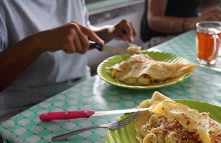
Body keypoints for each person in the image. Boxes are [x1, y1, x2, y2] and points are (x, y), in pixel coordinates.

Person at [0, 0, 137, 122]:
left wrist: (110, 31)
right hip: (26, 109)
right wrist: (39, 42)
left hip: (81, 92)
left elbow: (79, 36)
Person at [141, 0, 221, 45]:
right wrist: (193, 22)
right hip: (160, 41)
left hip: (186, 35)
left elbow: (202, 4)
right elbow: (153, 20)